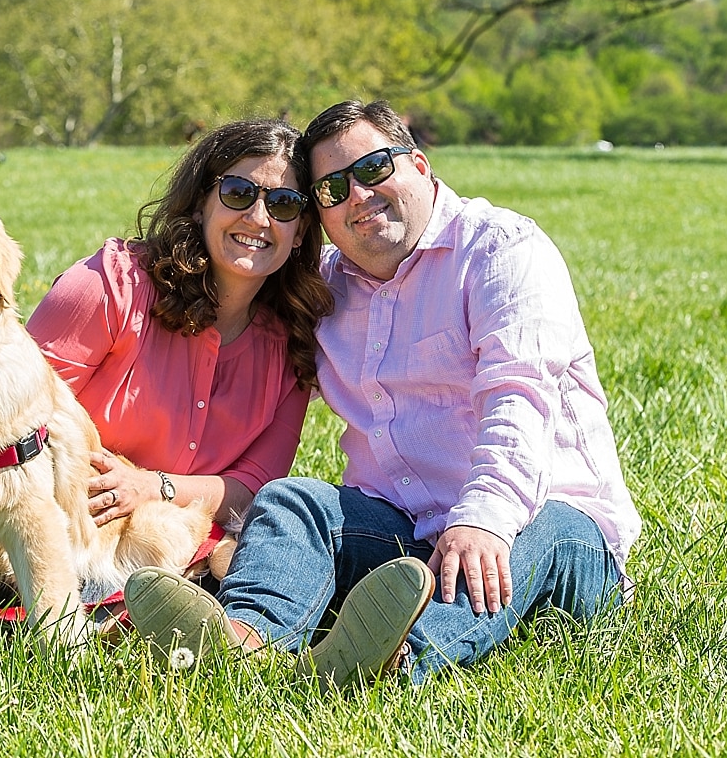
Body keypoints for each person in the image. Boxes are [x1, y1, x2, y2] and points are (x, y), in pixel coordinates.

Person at [124, 99, 642, 689]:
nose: (358, 197)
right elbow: (232, 342)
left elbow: (518, 399)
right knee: (296, 502)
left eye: (373, 170)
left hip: (545, 530)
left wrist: (483, 521)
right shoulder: (323, 288)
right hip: (404, 530)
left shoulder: (502, 251)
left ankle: (397, 661)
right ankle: (245, 644)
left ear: (419, 166)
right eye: (331, 190)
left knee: (540, 525)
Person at [0, 119, 334, 594]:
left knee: (279, 535)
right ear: (201, 203)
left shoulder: (292, 343)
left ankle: (296, 626)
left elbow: (254, 488)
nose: (259, 218)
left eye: (284, 204)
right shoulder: (109, 287)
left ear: (301, 230)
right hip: (45, 548)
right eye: (239, 192)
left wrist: (153, 487)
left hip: (180, 540)